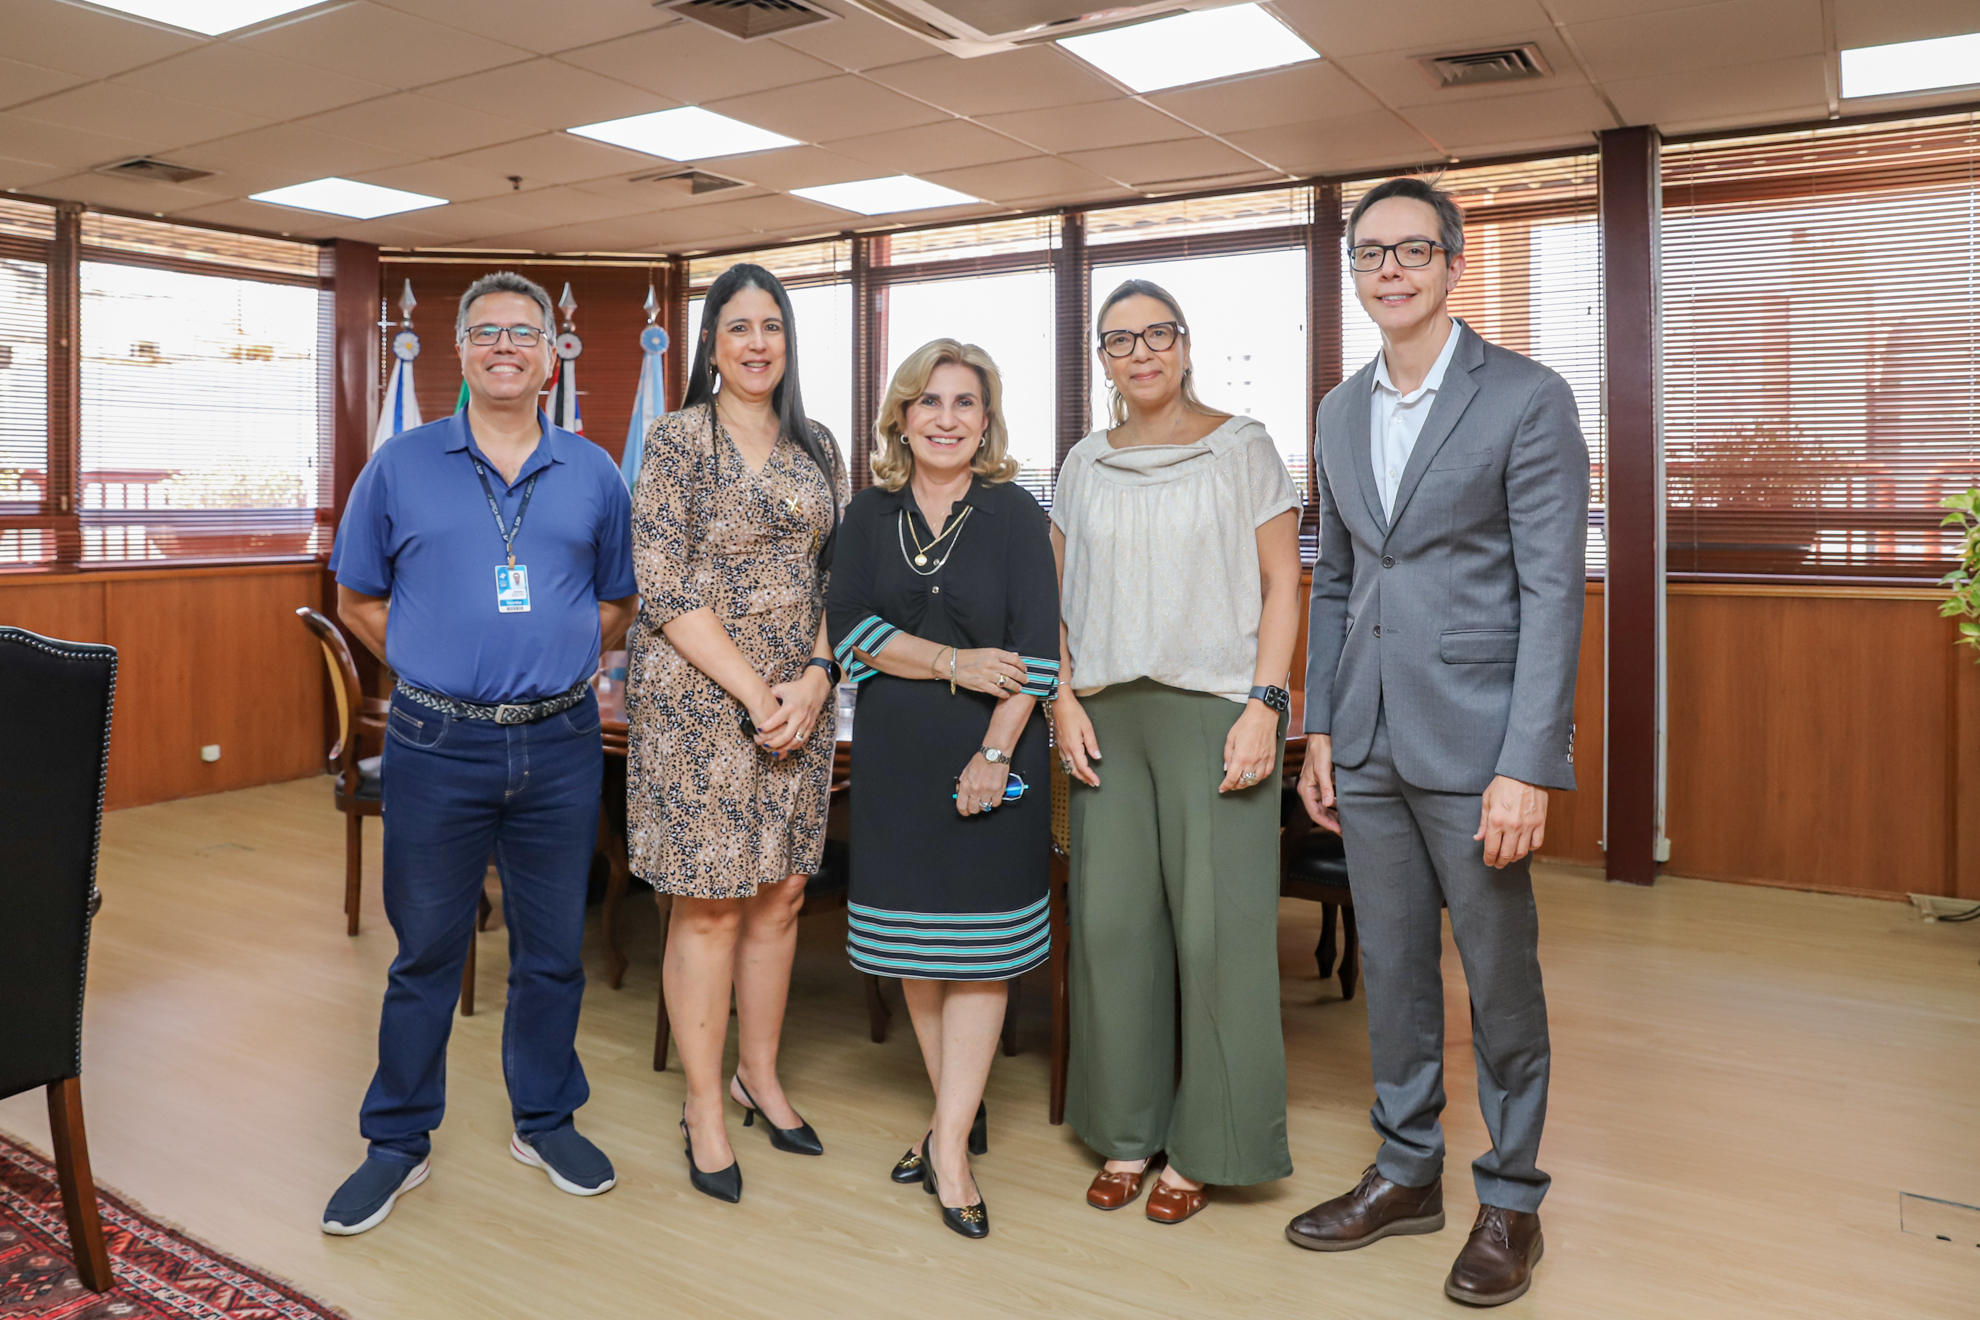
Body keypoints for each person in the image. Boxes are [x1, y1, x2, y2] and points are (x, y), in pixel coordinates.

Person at [1284, 177, 1588, 1308]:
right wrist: (1318, 724)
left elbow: (1554, 592)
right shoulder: (1338, 411)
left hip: (1478, 748)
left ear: (1455, 263)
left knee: (1500, 982)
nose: (1392, 270)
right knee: (1399, 973)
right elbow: (1344, 575)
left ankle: (1510, 1198)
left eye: (1415, 250)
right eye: (1373, 255)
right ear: (1356, 274)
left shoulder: (1526, 398)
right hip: (1362, 738)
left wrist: (1526, 763)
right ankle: (1407, 1172)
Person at [321, 271, 638, 1235]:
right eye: (487, 331)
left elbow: (616, 599)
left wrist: (564, 658)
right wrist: (429, 662)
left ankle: (544, 1120)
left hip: (560, 742)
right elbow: (357, 597)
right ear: (460, 352)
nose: (506, 346)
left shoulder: (592, 470)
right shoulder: (401, 465)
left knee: (552, 953)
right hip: (434, 742)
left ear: (553, 355)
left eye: (525, 333)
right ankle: (398, 1141)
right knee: (425, 952)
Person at [1050, 279, 1304, 1225]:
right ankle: (1125, 1129)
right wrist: (1063, 698)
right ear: (1104, 361)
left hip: (1216, 715)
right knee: (1113, 929)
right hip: (1108, 716)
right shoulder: (1081, 463)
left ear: (1186, 344)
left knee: (1217, 935)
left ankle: (1209, 1144)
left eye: (1157, 335)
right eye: (1119, 341)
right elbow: (1059, 600)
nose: (1140, 353)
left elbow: (1284, 583)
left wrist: (1265, 704)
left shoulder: (1241, 447)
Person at [826, 339, 1059, 1240]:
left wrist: (995, 754)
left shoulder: (1010, 512)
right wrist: (957, 660)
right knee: (917, 951)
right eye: (930, 401)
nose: (948, 418)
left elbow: (1036, 650)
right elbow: (849, 634)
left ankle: (950, 1148)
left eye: (966, 403)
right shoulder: (868, 512)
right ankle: (952, 1117)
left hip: (991, 760)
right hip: (893, 762)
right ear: (901, 416)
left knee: (981, 953)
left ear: (987, 419)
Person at [625, 263, 845, 1204]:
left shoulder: (819, 444)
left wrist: (816, 677)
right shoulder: (677, 440)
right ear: (710, 343)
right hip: (700, 699)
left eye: (773, 327)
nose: (757, 343)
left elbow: (836, 580)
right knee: (710, 903)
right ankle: (705, 1107)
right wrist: (760, 693)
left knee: (783, 893)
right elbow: (665, 586)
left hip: (799, 700)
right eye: (737, 327)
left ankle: (762, 1073)